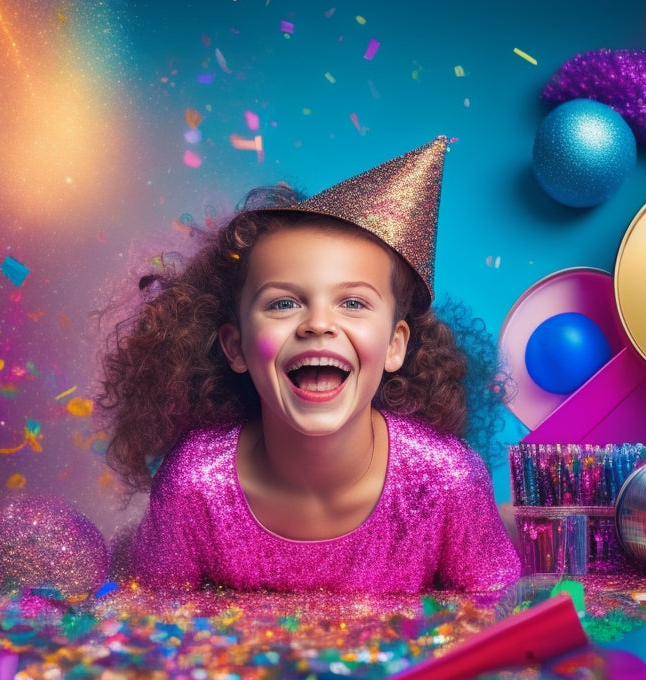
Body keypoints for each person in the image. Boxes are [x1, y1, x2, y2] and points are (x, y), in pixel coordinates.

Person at [96, 136, 521, 594]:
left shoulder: (449, 483)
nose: (318, 324)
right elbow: (149, 630)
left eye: (353, 302)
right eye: (283, 304)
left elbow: (502, 629)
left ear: (396, 345)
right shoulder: (192, 486)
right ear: (235, 347)